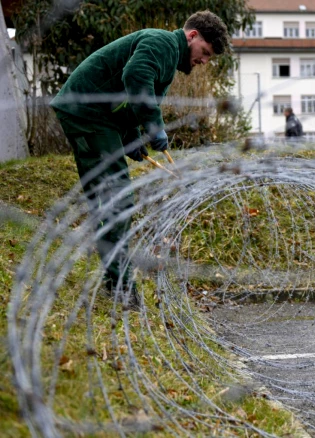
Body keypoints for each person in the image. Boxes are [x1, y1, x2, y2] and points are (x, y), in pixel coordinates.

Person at [50, 11, 230, 307]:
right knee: (116, 200)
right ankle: (119, 284)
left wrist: (132, 135)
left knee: (114, 200)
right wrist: (154, 125)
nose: (203, 62)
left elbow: (126, 98)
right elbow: (135, 77)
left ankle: (117, 280)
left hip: (101, 117)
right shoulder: (161, 43)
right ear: (192, 36)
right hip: (87, 114)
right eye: (205, 53)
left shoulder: (168, 58)